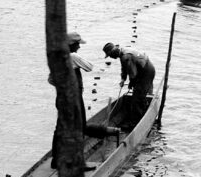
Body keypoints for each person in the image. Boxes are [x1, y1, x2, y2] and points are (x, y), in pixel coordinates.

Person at [50, 31, 93, 169]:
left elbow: (51, 79)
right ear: (72, 45)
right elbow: (90, 67)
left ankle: (56, 161)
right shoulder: (73, 56)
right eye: (78, 45)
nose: (79, 47)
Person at [103, 42, 156, 128]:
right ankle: (143, 107)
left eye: (109, 55)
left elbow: (133, 74)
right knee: (139, 94)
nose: (111, 57)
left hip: (146, 72)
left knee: (136, 98)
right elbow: (124, 68)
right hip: (143, 70)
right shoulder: (122, 52)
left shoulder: (125, 56)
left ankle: (135, 123)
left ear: (113, 52)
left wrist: (131, 83)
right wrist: (123, 79)